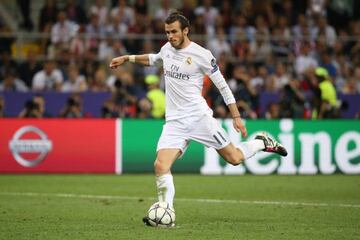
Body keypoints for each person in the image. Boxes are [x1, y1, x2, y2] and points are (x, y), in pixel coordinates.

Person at [109, 12, 287, 227]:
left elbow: (222, 86)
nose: (170, 36)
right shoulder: (167, 49)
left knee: (234, 158)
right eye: (167, 32)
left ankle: (262, 142)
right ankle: (166, 212)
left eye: (174, 32)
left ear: (186, 30)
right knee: (160, 165)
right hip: (174, 122)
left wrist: (236, 116)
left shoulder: (202, 55)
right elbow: (154, 59)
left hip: (199, 118)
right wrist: (127, 58)